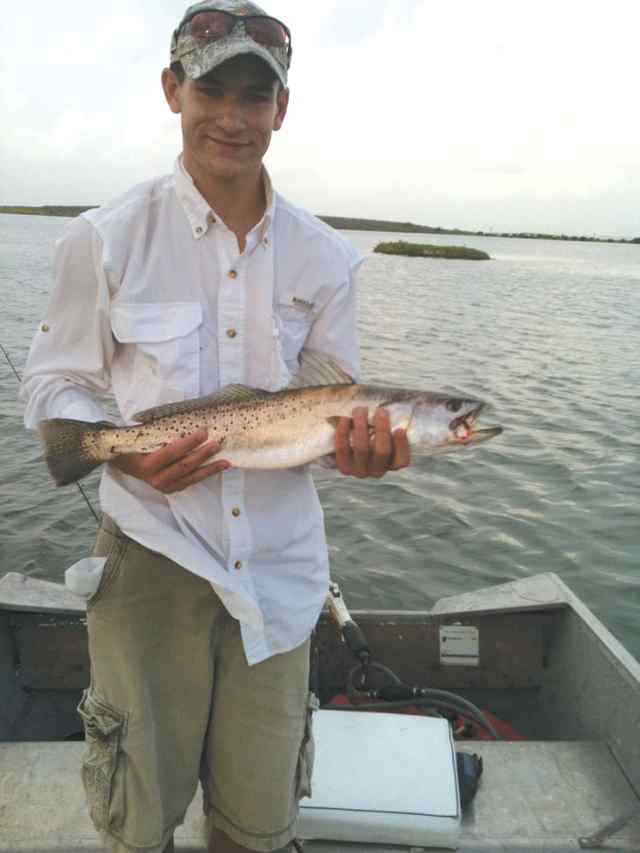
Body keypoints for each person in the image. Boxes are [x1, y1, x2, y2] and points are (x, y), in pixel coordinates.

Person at [20, 2, 410, 852]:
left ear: (283, 109)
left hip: (281, 573)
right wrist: (120, 462)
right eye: (213, 89)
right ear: (173, 90)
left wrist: (364, 457)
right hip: (151, 554)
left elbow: (331, 404)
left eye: (256, 97)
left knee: (257, 823)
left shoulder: (328, 258)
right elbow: (56, 383)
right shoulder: (106, 237)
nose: (233, 117)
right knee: (139, 818)